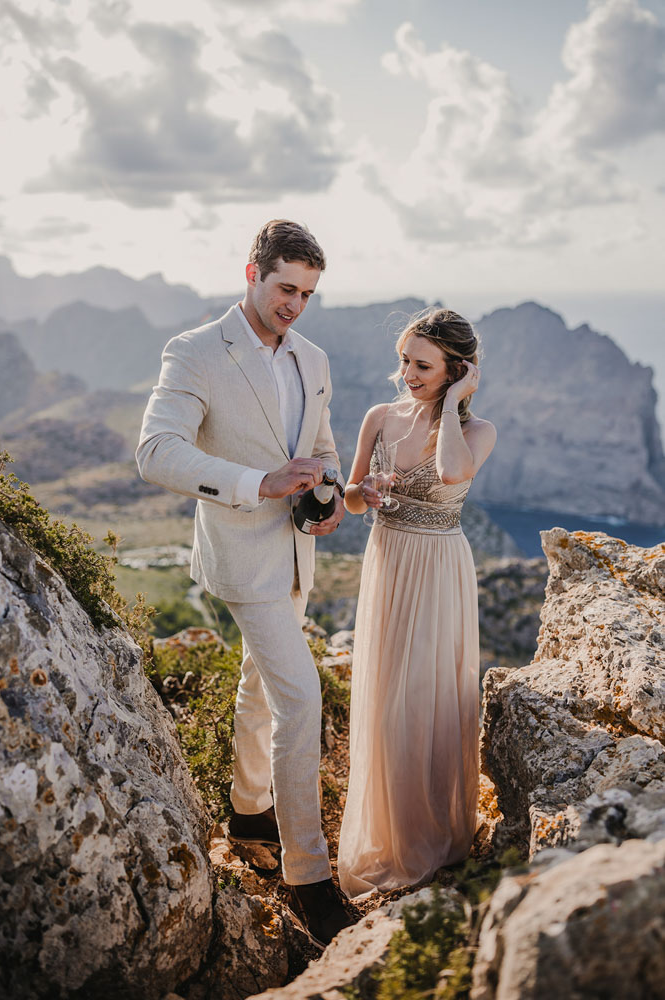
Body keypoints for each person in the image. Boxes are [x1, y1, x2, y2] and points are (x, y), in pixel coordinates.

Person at [136, 219, 353, 945]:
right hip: (238, 552)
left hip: (296, 550)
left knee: (261, 684)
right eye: (286, 287)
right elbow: (156, 451)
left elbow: (320, 449)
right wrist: (257, 482)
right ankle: (308, 875)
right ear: (252, 272)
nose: (295, 303)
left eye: (308, 293)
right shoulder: (196, 350)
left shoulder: (313, 358)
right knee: (301, 696)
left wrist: (326, 494)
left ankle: (247, 806)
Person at [337, 308, 496, 897]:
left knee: (427, 698)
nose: (407, 373)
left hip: (438, 570)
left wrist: (452, 403)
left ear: (458, 370)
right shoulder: (379, 418)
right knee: (385, 701)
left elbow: (453, 471)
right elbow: (350, 501)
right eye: (405, 360)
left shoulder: (478, 431)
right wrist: (362, 492)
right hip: (387, 563)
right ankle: (391, 835)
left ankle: (434, 835)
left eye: (423, 365)